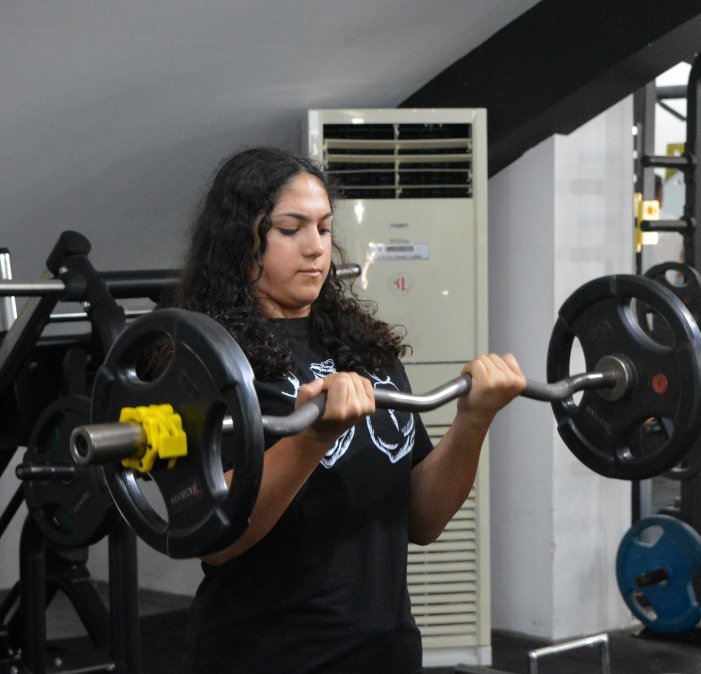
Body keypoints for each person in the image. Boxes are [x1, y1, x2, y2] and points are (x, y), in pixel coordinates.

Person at [173, 147, 525, 673]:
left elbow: (422, 520)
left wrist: (473, 423)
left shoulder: (361, 349)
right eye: (290, 230)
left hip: (384, 654)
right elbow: (217, 541)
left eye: (324, 227)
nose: (316, 249)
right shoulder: (204, 361)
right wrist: (311, 439)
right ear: (238, 240)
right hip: (268, 658)